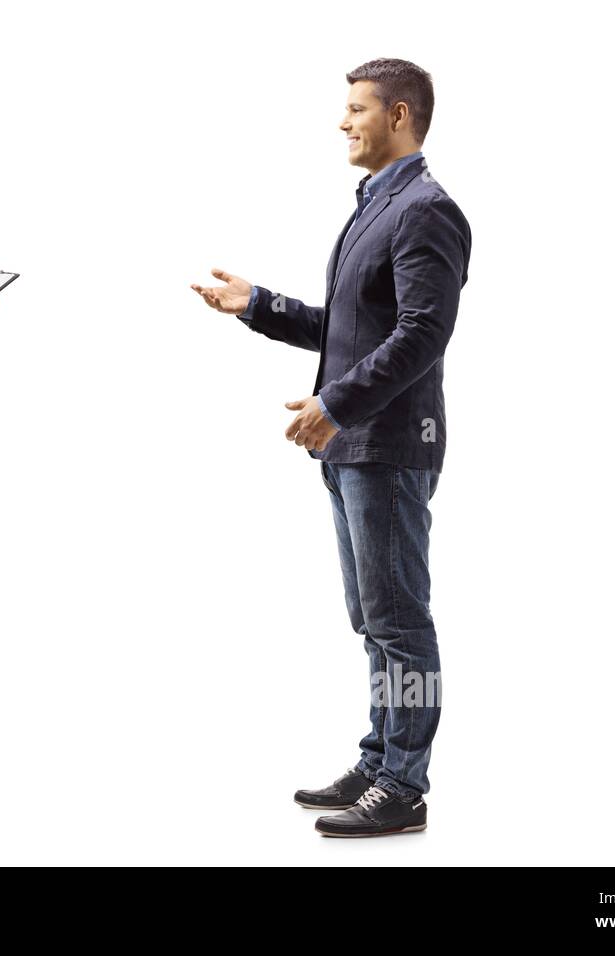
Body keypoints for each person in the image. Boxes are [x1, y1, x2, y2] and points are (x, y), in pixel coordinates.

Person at [192, 58, 471, 837]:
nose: (343, 121)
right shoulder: (376, 205)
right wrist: (260, 307)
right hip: (355, 447)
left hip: (386, 444)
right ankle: (382, 758)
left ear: (401, 114)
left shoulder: (425, 210)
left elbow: (423, 333)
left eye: (357, 109)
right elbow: (350, 332)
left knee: (401, 622)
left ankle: (405, 785)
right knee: (373, 618)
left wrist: (335, 405)